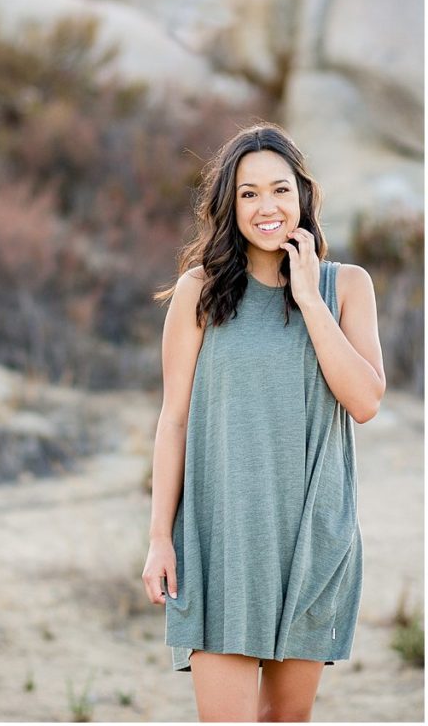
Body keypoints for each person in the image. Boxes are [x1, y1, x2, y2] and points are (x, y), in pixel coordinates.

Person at [141, 124, 385, 720]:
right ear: (230, 204)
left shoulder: (346, 286)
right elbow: (172, 421)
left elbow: (365, 401)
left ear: (303, 195)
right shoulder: (198, 293)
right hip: (221, 540)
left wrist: (307, 296)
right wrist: (158, 539)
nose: (266, 207)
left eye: (279, 190)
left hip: (312, 540)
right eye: (248, 194)